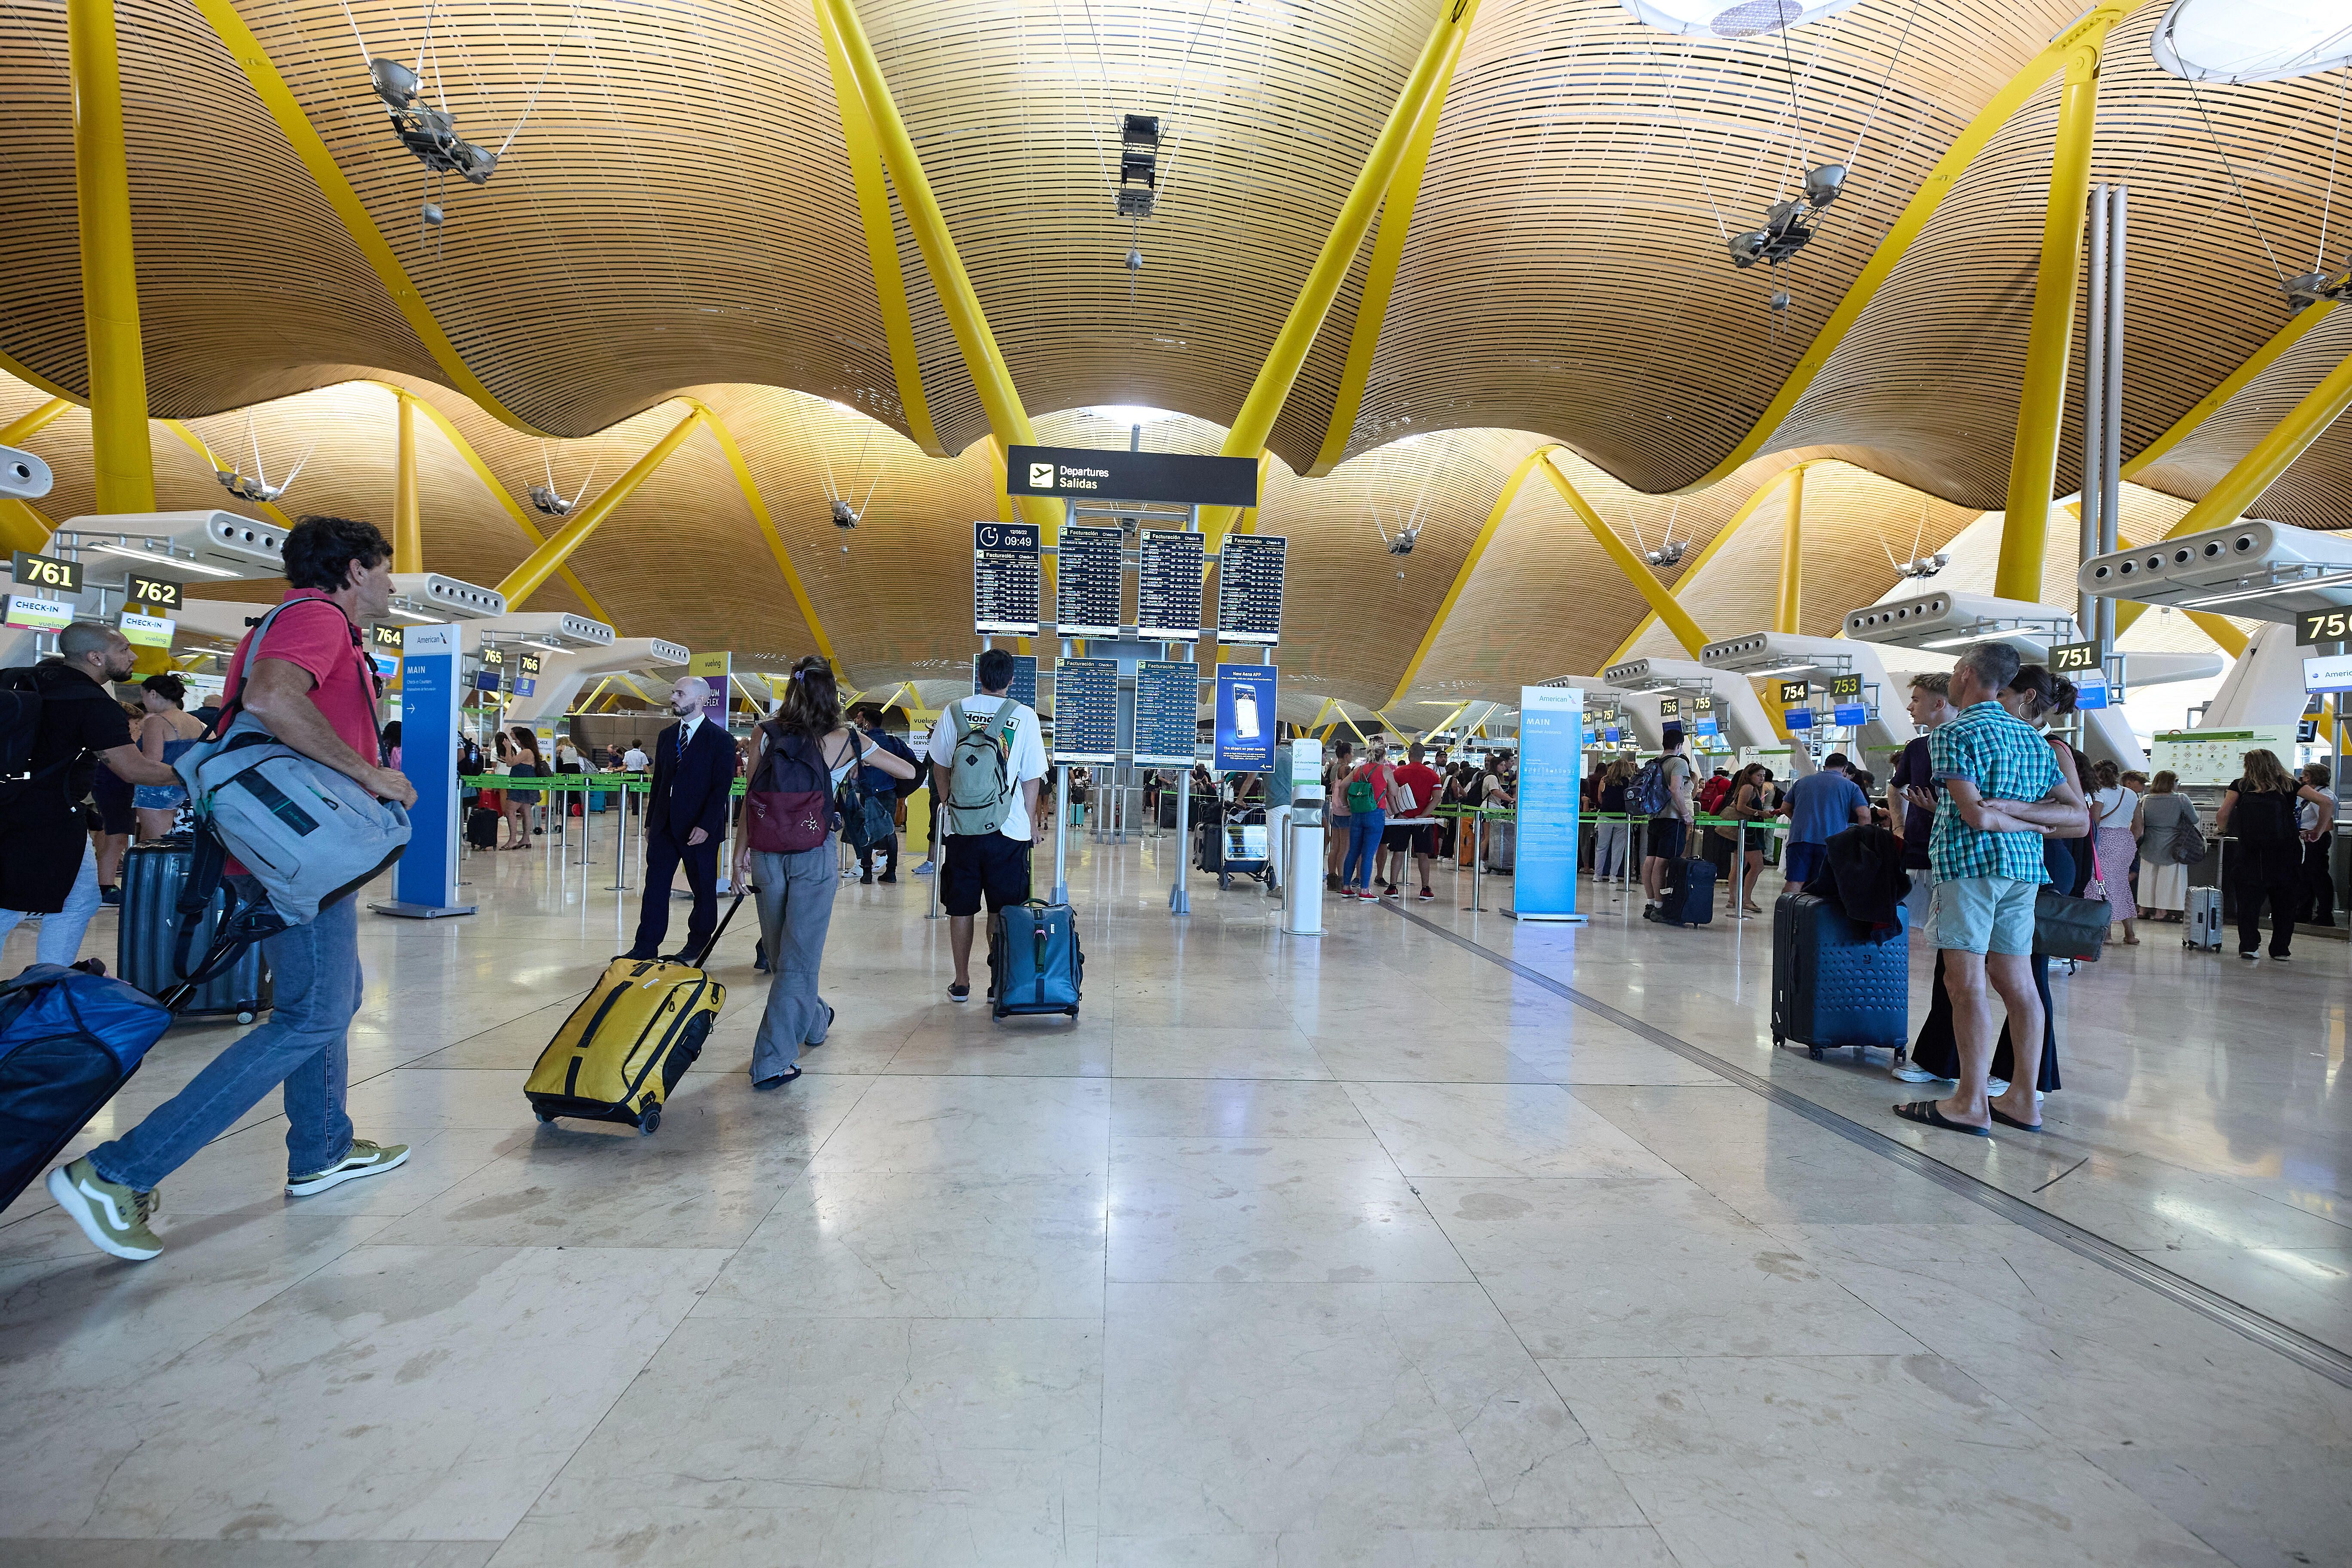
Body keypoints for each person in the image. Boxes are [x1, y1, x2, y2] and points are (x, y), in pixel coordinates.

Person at [46, 516, 420, 1261]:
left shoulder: (311, 626)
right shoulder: (315, 616)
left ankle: (323, 1148)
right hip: (296, 857)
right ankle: (117, 1172)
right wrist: (367, 772)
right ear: (351, 570)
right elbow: (273, 699)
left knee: (329, 1001)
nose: (390, 584)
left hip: (298, 853)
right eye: (383, 570)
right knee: (311, 1014)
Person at [1896, 642, 2079, 1138]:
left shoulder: (1953, 734)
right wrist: (2025, 819)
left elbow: (1974, 815)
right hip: (2023, 871)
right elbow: (2076, 815)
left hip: (1969, 868)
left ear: (1966, 675)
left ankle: (1971, 1101)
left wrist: (1999, 813)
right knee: (2018, 982)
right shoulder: (2034, 741)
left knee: (1965, 981)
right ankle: (2023, 1098)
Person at [729, 660, 916, 1087]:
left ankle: (812, 1022)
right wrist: (863, 761)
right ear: (832, 695)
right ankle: (775, 1059)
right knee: (793, 963)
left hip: (766, 853)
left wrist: (739, 852)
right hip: (814, 853)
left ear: (791, 693)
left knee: (785, 959)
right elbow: (907, 773)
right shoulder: (846, 739)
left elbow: (750, 795)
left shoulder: (765, 732)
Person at [0, 624, 181, 965]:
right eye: (125, 649)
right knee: (13, 905)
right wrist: (191, 775)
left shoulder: (25, 680)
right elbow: (134, 769)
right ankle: (49, 983)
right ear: (96, 657)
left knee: (77, 899)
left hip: (16, 803)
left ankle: (51, 981)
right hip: (49, 815)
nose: (134, 656)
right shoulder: (93, 703)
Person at [928, 648, 1048, 1002]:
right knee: (1003, 909)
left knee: (961, 906)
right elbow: (1031, 779)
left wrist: (950, 801)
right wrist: (1029, 823)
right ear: (1012, 679)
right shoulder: (1024, 717)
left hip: (961, 828)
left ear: (978, 676)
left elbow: (939, 763)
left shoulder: (954, 711)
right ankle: (998, 982)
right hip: (1007, 830)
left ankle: (962, 982)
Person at [625, 677, 738, 962]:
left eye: (680, 693)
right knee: (656, 888)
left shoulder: (721, 740)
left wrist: (706, 825)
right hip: (664, 827)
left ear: (700, 700)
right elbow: (659, 782)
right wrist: (651, 821)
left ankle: (697, 944)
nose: (673, 697)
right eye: (673, 691)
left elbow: (721, 787)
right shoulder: (666, 736)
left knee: (703, 890)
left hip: (699, 829)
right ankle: (645, 945)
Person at [2217, 748, 2330, 962]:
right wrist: (2318, 831)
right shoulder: (2290, 785)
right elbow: (2327, 803)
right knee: (2285, 904)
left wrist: (2224, 830)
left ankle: (2249, 946)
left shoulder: (2240, 785)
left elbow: (2223, 814)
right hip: (2285, 852)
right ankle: (2280, 950)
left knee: (2249, 903)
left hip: (2251, 853)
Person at [1889, 674, 1956, 934]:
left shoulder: (1965, 742)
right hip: (1919, 850)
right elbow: (1896, 786)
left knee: (1949, 934)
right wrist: (1899, 826)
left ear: (1939, 704)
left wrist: (1938, 809)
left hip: (1956, 854)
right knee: (1917, 929)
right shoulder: (1918, 748)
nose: (1909, 707)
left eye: (1916, 700)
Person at [131, 673, 208, 842]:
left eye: (143, 696)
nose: (144, 702)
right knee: (183, 847)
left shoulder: (156, 722)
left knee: (157, 847)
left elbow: (152, 760)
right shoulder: (198, 723)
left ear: (153, 694)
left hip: (158, 792)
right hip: (192, 792)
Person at [1781, 752, 1871, 890]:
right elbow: (1864, 815)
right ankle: (1815, 911)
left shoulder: (1802, 782)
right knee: (1824, 885)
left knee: (1795, 882)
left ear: (1825, 766)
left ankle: (1787, 911)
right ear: (1845, 768)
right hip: (1832, 842)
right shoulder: (1851, 787)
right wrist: (1862, 839)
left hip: (1800, 840)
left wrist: (1798, 821)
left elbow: (1785, 808)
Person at [850, 703, 919, 883]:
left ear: (866, 722)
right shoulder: (894, 741)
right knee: (889, 832)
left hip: (867, 792)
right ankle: (891, 872)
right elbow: (912, 761)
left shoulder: (861, 741)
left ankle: (866, 873)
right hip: (888, 791)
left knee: (867, 830)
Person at [1638, 726, 1696, 920]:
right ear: (1679, 745)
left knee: (1651, 860)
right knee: (1662, 863)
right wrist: (1686, 814)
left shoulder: (1653, 762)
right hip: (1672, 819)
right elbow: (1675, 790)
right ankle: (1661, 907)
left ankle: (1651, 903)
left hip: (1654, 817)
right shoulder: (1678, 763)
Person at [1379, 741, 1443, 900]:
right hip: (1423, 821)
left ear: (1409, 755)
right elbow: (1437, 798)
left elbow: (1390, 794)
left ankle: (1393, 887)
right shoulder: (1433, 775)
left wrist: (1398, 813)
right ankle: (1426, 889)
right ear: (1424, 756)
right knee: (1423, 855)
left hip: (1402, 820)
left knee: (1398, 852)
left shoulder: (1399, 772)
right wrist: (1424, 815)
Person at [2087, 759, 2141, 946]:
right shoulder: (2132, 794)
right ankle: (2130, 934)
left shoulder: (2099, 793)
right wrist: (2127, 842)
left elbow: (2094, 823)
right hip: (2125, 840)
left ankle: (2107, 934)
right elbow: (2139, 826)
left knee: (2100, 886)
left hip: (2103, 841)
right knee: (2121, 886)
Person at [2132, 770, 2199, 922]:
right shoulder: (2181, 799)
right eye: (2177, 782)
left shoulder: (2145, 800)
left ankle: (2143, 909)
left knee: (2148, 878)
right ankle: (2161, 912)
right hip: (2173, 845)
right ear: (2172, 783)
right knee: (2168, 880)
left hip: (2149, 844)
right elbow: (2194, 819)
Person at [1338, 741, 1398, 898]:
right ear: (1383, 756)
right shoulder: (1385, 770)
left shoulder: (1358, 770)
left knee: (1353, 851)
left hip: (1357, 814)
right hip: (1376, 814)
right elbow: (1394, 791)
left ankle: (1346, 887)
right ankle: (1364, 891)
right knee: (1369, 854)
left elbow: (1343, 786)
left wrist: (1346, 804)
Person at [1715, 762, 1774, 915]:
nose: (1762, 779)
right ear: (1750, 776)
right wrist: (1759, 813)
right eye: (1759, 775)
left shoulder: (1750, 788)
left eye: (1763, 776)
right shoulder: (1748, 788)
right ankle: (1746, 900)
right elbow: (1740, 807)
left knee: (1739, 865)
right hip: (1749, 834)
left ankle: (1734, 898)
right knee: (1757, 866)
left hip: (1747, 832)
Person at [2297, 762, 2337, 929]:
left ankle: (2325, 914)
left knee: (2319, 877)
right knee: (2306, 877)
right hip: (2307, 837)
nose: (2302, 778)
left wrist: (2313, 832)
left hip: (2316, 838)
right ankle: (2303, 912)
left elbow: (2328, 823)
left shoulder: (2323, 796)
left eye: (2306, 775)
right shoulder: (2309, 795)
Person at [1592, 755, 1635, 880]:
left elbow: (1600, 799)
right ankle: (1613, 876)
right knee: (1618, 849)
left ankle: (1598, 875)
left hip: (1605, 816)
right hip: (1623, 818)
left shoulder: (1604, 780)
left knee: (1601, 847)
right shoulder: (1630, 783)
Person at [502, 727, 545, 847]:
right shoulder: (530, 752)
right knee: (526, 812)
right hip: (527, 786)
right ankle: (526, 839)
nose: (515, 742)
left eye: (516, 739)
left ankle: (512, 840)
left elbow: (510, 763)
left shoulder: (526, 752)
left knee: (510, 811)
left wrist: (508, 748)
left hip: (520, 787)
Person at [1322, 739, 1355, 889]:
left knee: (1335, 847)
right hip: (1345, 811)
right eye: (1352, 753)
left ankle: (1332, 878)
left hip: (1334, 810)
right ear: (1347, 755)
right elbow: (1347, 788)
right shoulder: (1346, 769)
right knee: (1345, 848)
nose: (1353, 756)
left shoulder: (1333, 768)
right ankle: (1343, 879)